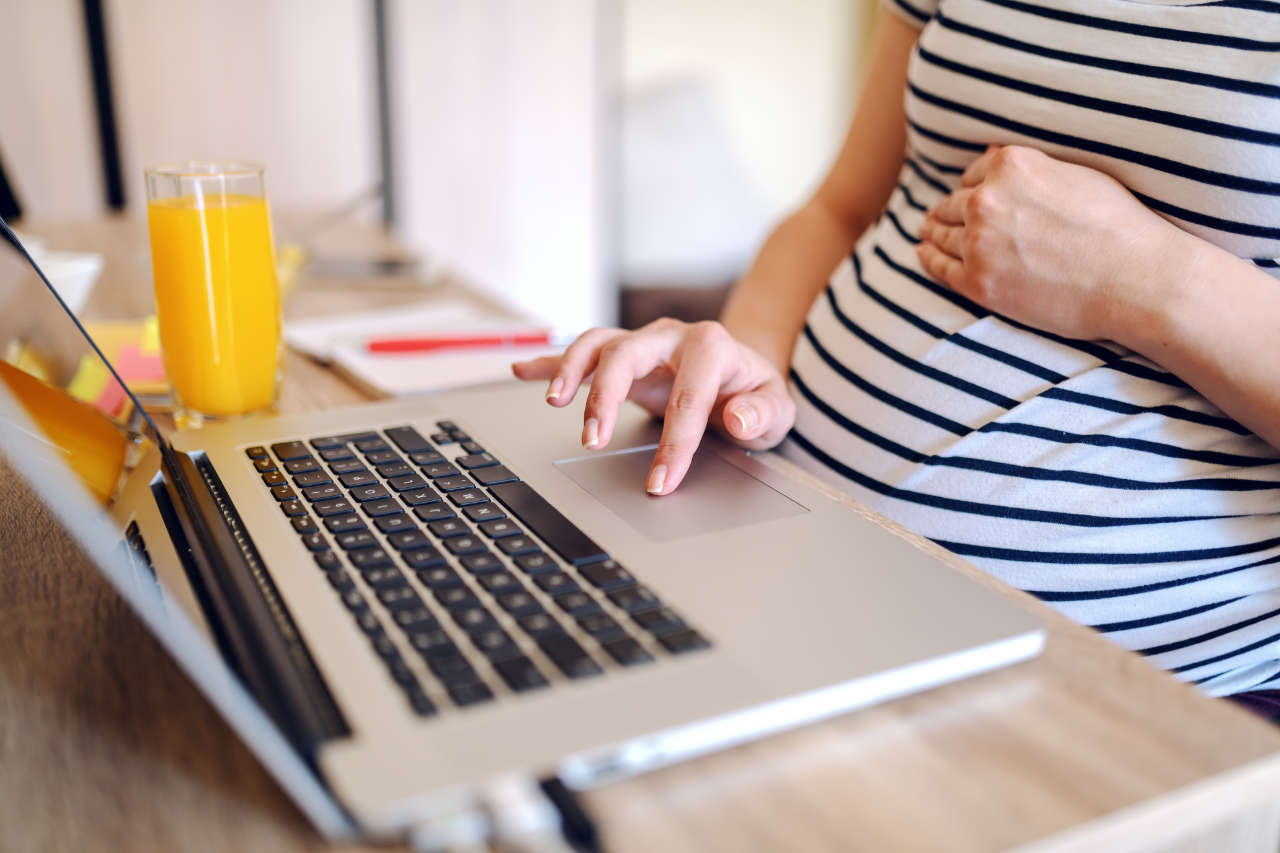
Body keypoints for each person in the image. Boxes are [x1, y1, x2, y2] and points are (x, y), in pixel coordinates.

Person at [514, 0, 1280, 699]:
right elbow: (838, 209)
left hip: (1131, 690)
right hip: (770, 553)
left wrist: (1147, 282)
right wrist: (744, 367)